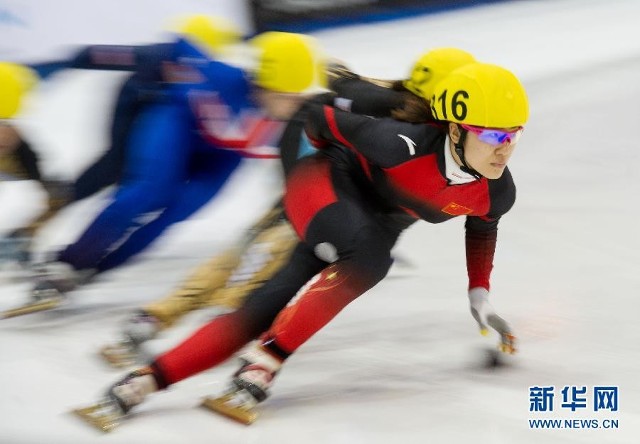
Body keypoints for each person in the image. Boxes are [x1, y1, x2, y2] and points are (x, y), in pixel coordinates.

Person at [75, 59, 527, 429]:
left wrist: (479, 293)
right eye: (492, 135)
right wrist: (296, 184)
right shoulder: (398, 143)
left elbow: (482, 228)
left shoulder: (495, 191)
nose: (503, 149)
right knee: (369, 258)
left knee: (262, 305)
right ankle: (266, 360)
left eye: (512, 135)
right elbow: (314, 116)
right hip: (326, 184)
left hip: (371, 225)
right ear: (453, 129)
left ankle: (144, 380)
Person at [97, 48, 479, 369]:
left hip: (326, 202)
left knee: (248, 259)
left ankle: (164, 319)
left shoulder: (397, 104)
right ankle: (182, 323)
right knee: (253, 262)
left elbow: (340, 83)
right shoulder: (411, 114)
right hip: (325, 204)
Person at [11, 30, 326, 310]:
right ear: (265, 85)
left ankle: (88, 272)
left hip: (222, 155)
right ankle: (67, 261)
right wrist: (76, 60)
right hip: (175, 121)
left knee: (174, 213)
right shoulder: (220, 77)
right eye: (288, 99)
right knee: (145, 193)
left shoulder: (294, 114)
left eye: (300, 99)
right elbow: (177, 46)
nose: (295, 108)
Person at [0, 15, 242, 267]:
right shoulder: (155, 57)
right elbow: (92, 55)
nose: (195, 79)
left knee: (140, 180)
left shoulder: (214, 84)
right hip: (135, 106)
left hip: (165, 119)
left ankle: (39, 228)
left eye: (202, 73)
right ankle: (32, 229)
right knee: (115, 169)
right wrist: (46, 68)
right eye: (186, 70)